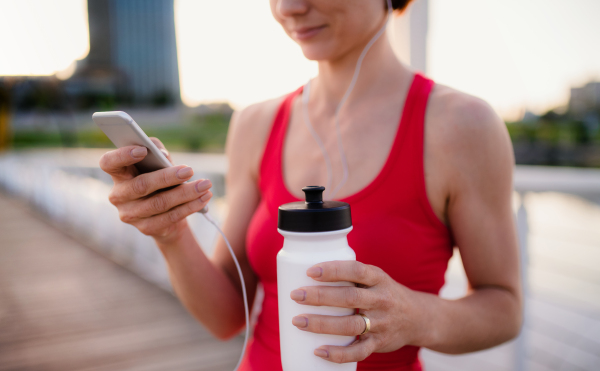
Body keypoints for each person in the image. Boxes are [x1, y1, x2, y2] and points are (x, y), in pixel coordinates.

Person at [99, 0, 522, 370]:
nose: (288, 7)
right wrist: (170, 233)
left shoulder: (462, 127)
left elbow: (504, 308)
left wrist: (416, 316)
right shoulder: (255, 124)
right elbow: (226, 317)